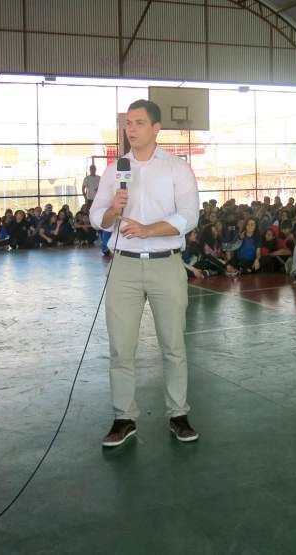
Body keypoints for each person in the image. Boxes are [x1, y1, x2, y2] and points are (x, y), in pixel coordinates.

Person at [89, 99, 200, 447]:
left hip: (166, 263)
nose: (130, 129)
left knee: (173, 345)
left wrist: (150, 230)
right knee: (121, 347)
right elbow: (96, 216)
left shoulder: (176, 168)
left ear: (156, 129)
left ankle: (178, 413)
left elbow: (190, 216)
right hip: (122, 264)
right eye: (127, 123)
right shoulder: (115, 169)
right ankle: (124, 417)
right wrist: (113, 213)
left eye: (138, 123)